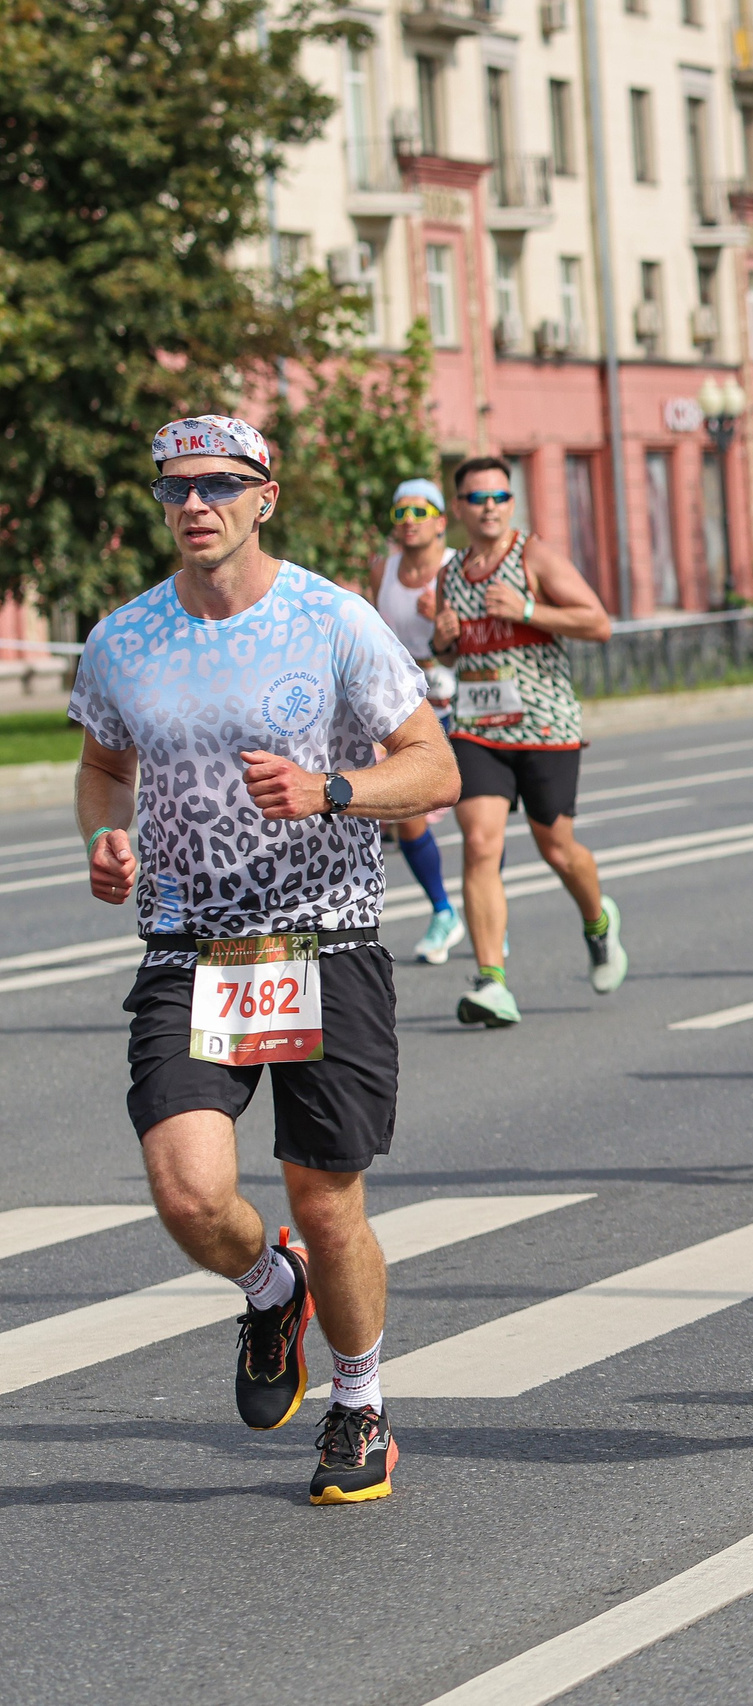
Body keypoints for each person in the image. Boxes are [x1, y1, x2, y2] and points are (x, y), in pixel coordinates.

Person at [75, 415, 461, 1504]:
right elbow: (103, 766)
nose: (193, 503)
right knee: (188, 1189)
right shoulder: (123, 639)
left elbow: (431, 768)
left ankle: (359, 1402)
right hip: (189, 941)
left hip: (323, 934)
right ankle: (267, 1282)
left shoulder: (333, 622)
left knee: (325, 1193)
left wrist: (333, 789)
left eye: (217, 484)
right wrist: (105, 833)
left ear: (263, 497)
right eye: (173, 488)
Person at [430, 457, 627, 1027]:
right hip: (476, 728)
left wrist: (529, 609)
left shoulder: (533, 556)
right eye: (477, 498)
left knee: (557, 848)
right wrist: (442, 642)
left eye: (499, 496)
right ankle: (491, 980)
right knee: (480, 844)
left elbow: (598, 622)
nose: (489, 507)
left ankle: (598, 921)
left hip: (545, 728)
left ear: (510, 503)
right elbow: (451, 651)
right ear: (460, 508)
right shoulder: (451, 573)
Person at [370, 478, 464, 963]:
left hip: (460, 695)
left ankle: (490, 914)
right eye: (400, 513)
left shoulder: (456, 570)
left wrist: (446, 620)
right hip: (404, 705)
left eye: (419, 512)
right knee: (405, 810)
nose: (408, 522)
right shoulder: (383, 570)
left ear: (441, 521)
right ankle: (444, 910)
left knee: (477, 819)